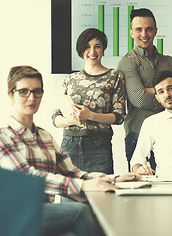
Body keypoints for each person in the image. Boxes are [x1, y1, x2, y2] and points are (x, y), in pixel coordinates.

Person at [0, 66, 140, 235]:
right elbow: (28, 178)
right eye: (23, 91)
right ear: (11, 95)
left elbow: (73, 173)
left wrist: (115, 179)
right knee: (78, 212)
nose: (31, 97)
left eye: (37, 91)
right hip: (14, 214)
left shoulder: (44, 136)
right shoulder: (0, 136)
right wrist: (84, 185)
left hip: (43, 212)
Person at [117, 8, 172, 171]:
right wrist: (171, 93)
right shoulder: (127, 62)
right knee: (140, 190)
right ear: (131, 32)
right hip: (137, 135)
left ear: (155, 31)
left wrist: (151, 90)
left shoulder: (169, 61)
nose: (144, 34)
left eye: (149, 29)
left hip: (168, 134)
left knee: (169, 186)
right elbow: (139, 99)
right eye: (138, 29)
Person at [52, 28, 126, 174]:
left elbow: (119, 116)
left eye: (97, 46)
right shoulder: (70, 79)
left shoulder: (115, 76)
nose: (92, 51)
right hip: (69, 145)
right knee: (69, 194)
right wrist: (71, 121)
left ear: (103, 49)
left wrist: (90, 116)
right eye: (87, 46)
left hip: (99, 147)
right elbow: (55, 118)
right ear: (80, 49)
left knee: (101, 194)